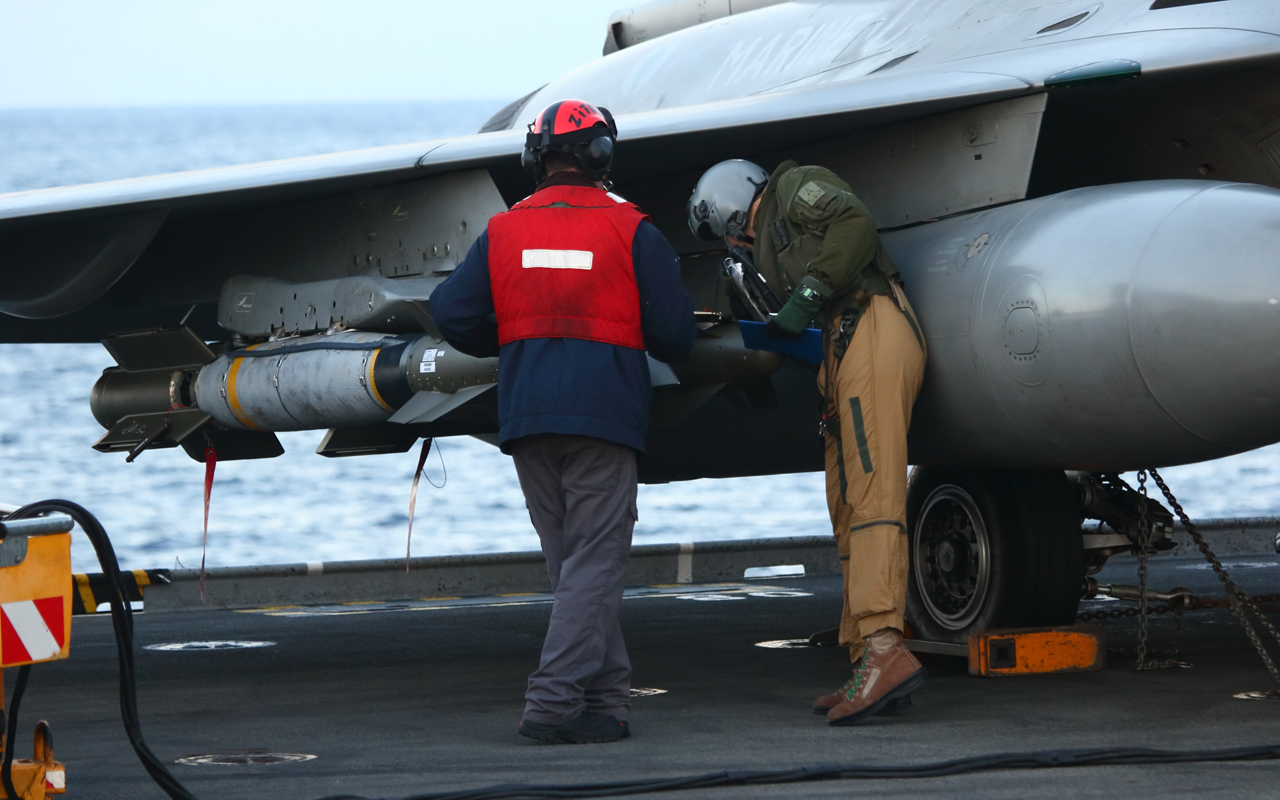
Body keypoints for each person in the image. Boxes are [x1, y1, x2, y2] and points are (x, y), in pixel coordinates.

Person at [430, 99, 696, 744]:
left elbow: (450, 314)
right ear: (601, 155)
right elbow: (675, 337)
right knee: (594, 565)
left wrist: (523, 336)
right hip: (603, 416)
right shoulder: (632, 229)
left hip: (527, 417)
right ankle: (550, 707)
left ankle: (606, 702)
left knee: (574, 566)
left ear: (535, 157)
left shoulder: (504, 230)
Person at [688, 159, 928, 726]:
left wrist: (804, 300)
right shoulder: (774, 238)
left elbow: (854, 225)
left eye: (723, 228)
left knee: (871, 498)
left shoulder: (793, 189)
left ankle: (886, 650)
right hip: (843, 349)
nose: (732, 240)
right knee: (846, 505)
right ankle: (866, 657)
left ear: (728, 205)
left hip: (872, 329)